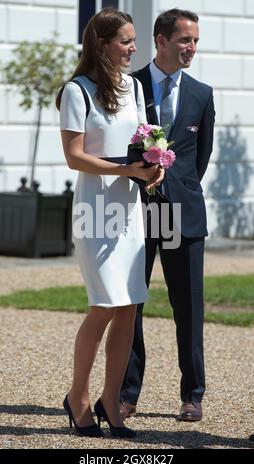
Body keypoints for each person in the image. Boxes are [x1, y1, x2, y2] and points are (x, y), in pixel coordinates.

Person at [56, 8, 162, 438]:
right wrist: (126, 172)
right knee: (103, 305)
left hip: (130, 207)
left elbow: (147, 138)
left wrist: (157, 165)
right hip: (96, 208)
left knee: (129, 307)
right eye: (125, 41)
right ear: (101, 44)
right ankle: (77, 398)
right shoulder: (76, 91)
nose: (134, 48)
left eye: (135, 40)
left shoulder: (135, 86)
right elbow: (74, 156)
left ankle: (110, 403)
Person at [120, 8, 215, 422]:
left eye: (195, 40)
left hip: (185, 215)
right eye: (184, 40)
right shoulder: (127, 87)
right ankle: (126, 393)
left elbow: (201, 156)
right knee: (130, 306)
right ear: (161, 40)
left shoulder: (202, 92)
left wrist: (180, 191)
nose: (191, 48)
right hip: (134, 213)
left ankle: (192, 393)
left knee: (189, 308)